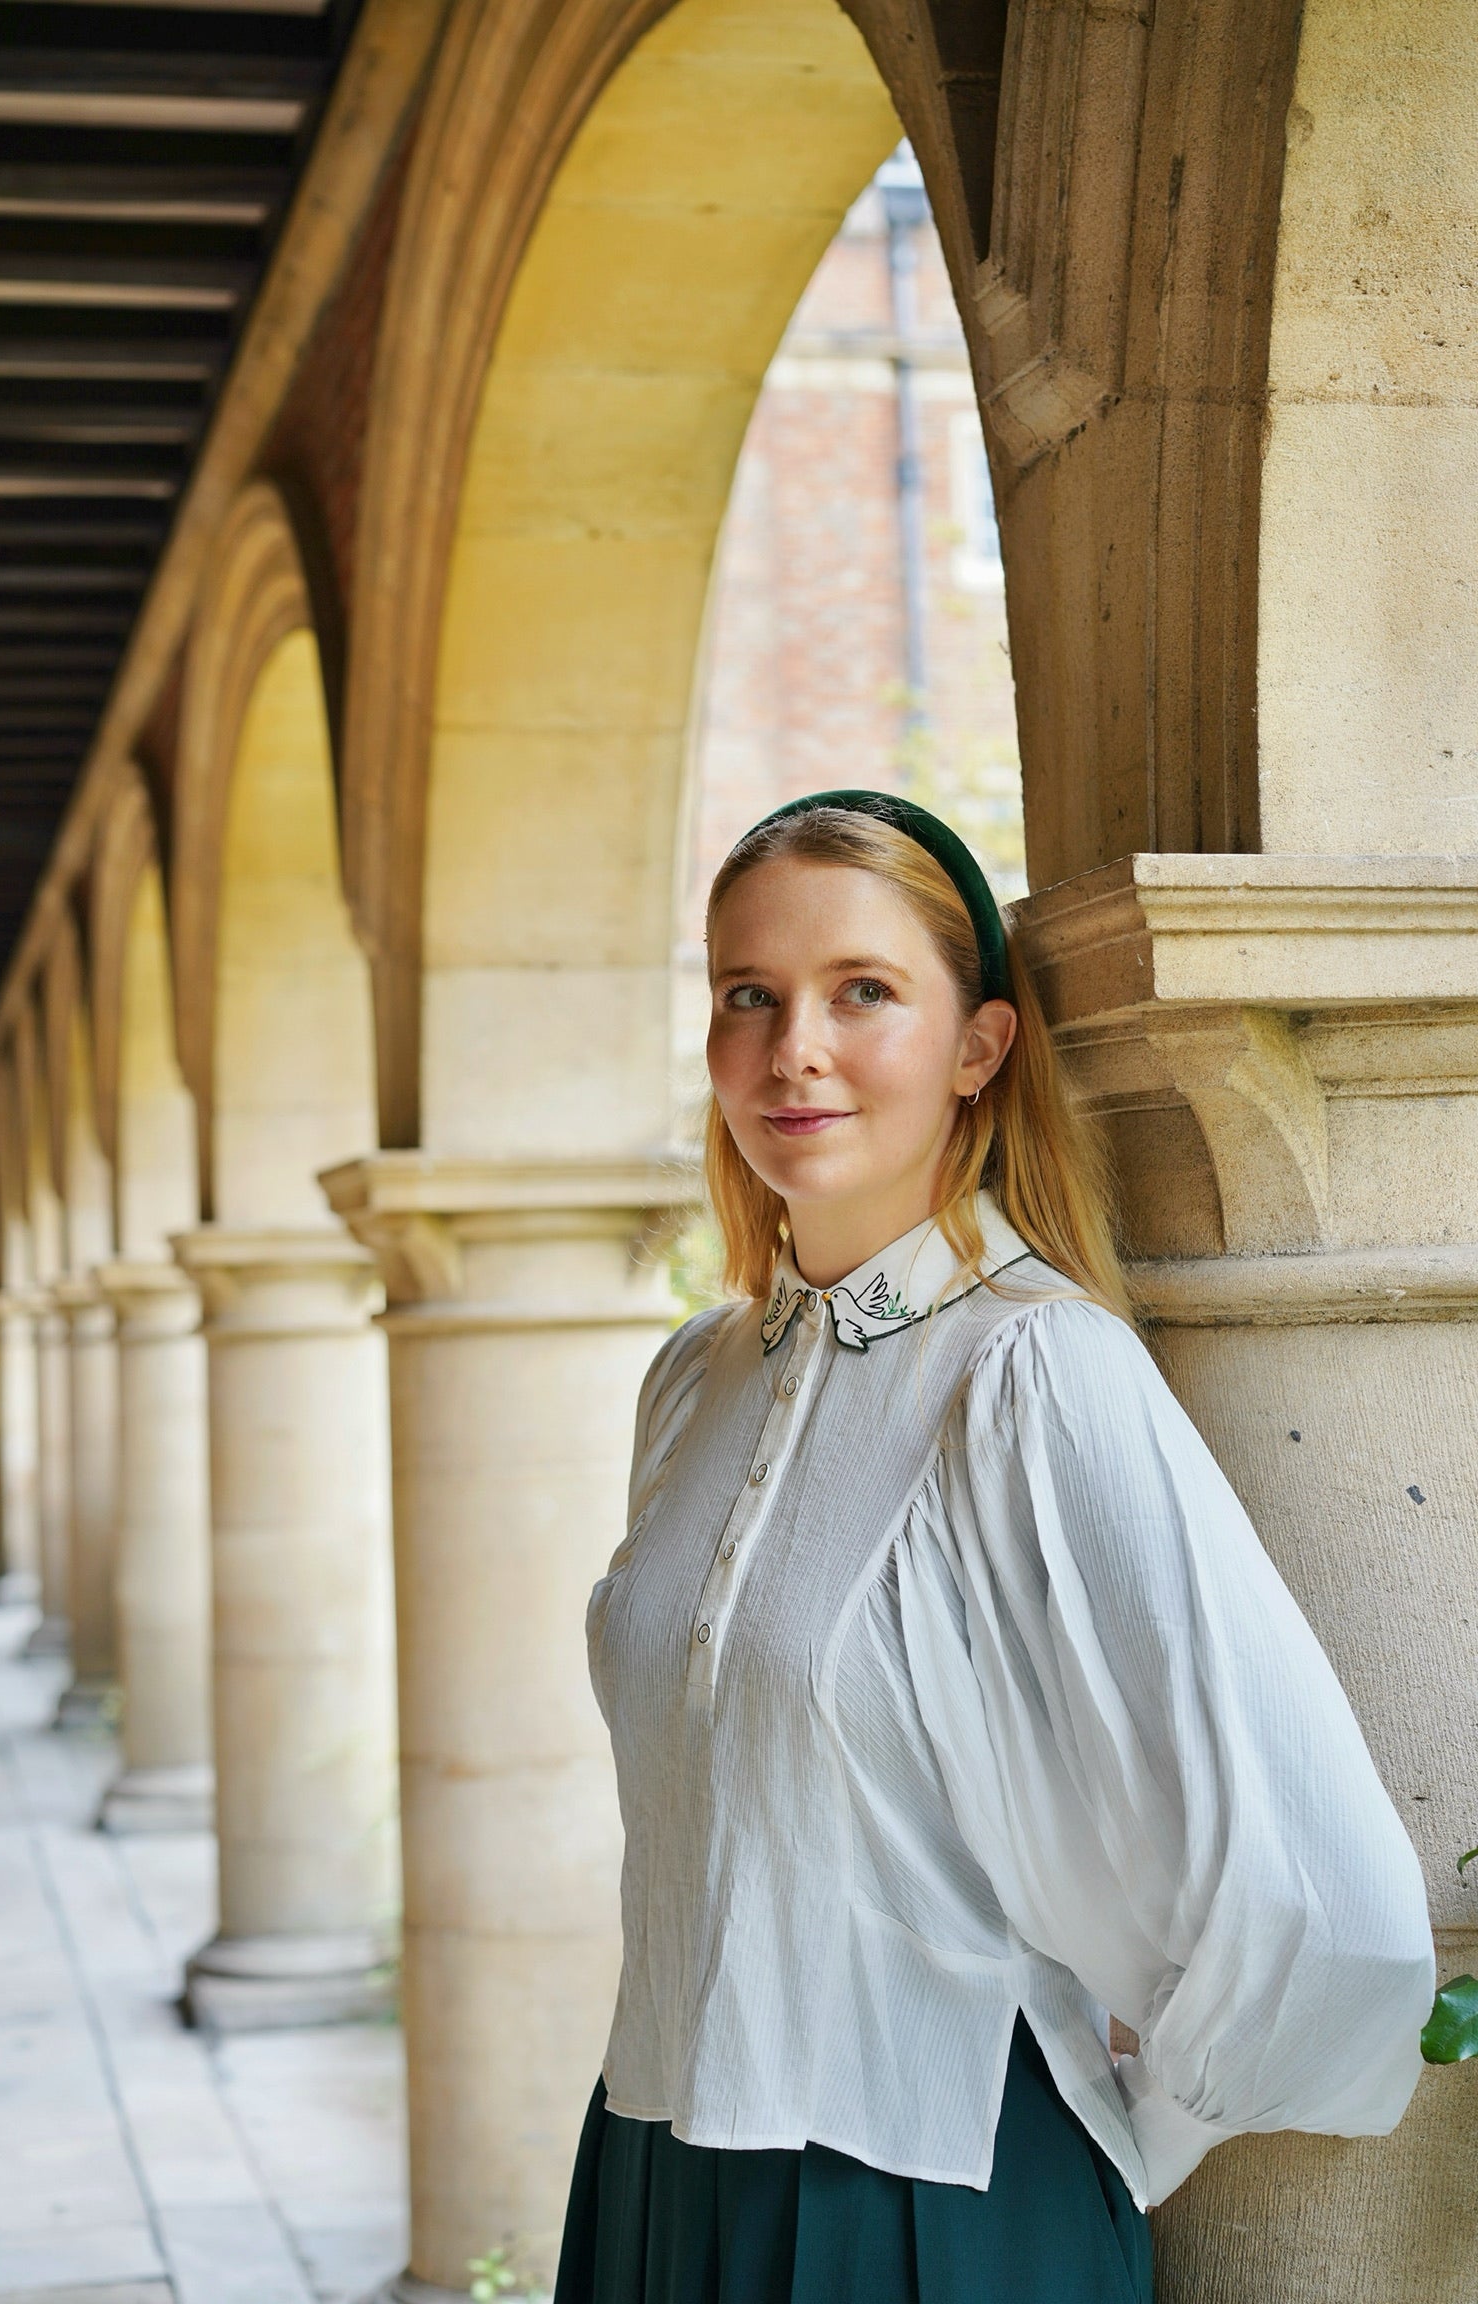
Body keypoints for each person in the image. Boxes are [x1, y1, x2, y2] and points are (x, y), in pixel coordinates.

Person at [554, 790, 1434, 2304]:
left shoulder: (1033, 1375)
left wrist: (1128, 2129)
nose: (792, 1052)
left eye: (863, 993)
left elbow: (1318, 1879)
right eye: (747, 996)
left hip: (939, 2195)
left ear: (979, 1044)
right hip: (652, 2163)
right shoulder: (697, 1379)